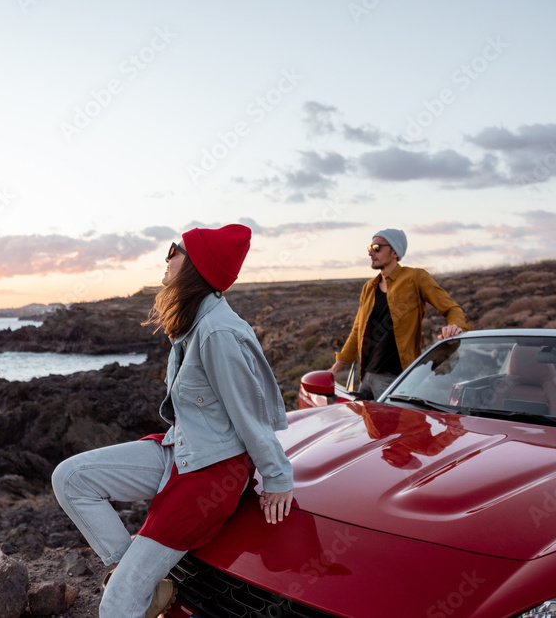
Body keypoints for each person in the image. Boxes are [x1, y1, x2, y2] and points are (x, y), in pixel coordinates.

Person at [52, 223, 294, 618]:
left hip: (211, 473)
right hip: (179, 448)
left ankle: (131, 587)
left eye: (174, 251)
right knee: (70, 478)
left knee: (116, 607)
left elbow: (251, 416)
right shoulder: (194, 322)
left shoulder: (218, 332)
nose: (166, 258)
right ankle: (133, 574)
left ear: (197, 266)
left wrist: (278, 476)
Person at [329, 228, 472, 400]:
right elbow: (357, 330)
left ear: (395, 252)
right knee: (366, 426)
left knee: (397, 426)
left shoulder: (415, 277)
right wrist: (338, 366)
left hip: (396, 378)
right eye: (370, 248)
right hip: (367, 376)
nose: (371, 253)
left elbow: (452, 309)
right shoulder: (369, 287)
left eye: (376, 247)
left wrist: (454, 326)